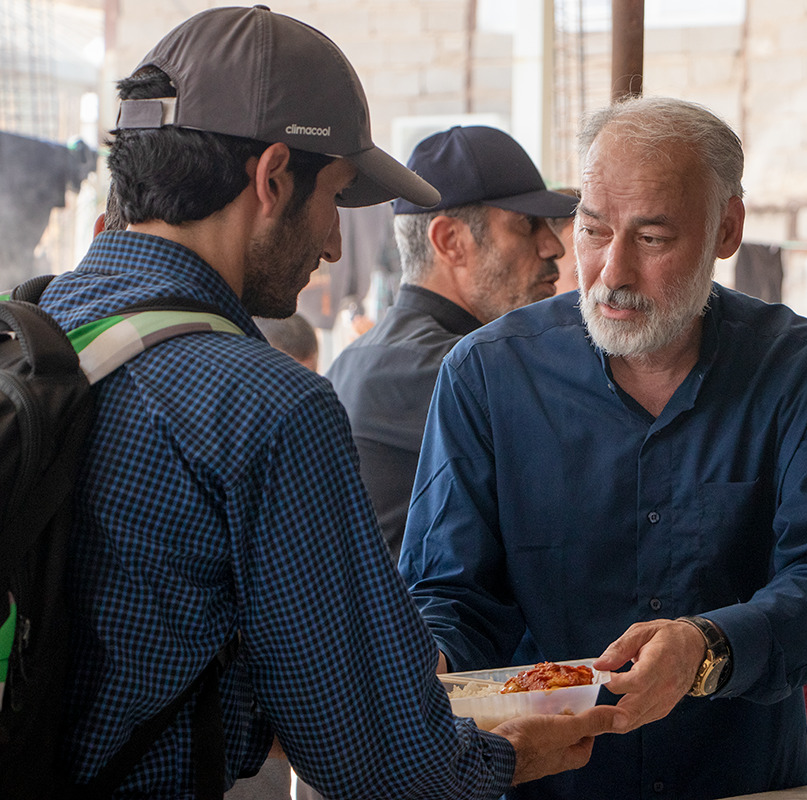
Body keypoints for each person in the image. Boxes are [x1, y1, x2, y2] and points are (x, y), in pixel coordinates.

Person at [36, 7, 615, 795]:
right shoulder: (266, 406)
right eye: (336, 197)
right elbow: (385, 769)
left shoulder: (35, 330)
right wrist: (518, 754)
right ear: (273, 178)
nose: (337, 245)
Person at [400, 96, 807, 800]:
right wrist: (429, 661)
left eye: (651, 239)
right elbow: (451, 589)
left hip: (737, 778)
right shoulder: (488, 376)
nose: (612, 272)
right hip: (552, 784)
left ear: (727, 228)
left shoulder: (802, 370)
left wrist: (707, 648)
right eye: (593, 230)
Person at [327, 125, 573, 559]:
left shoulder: (356, 358)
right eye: (527, 224)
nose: (553, 247)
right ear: (451, 242)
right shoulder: (450, 371)